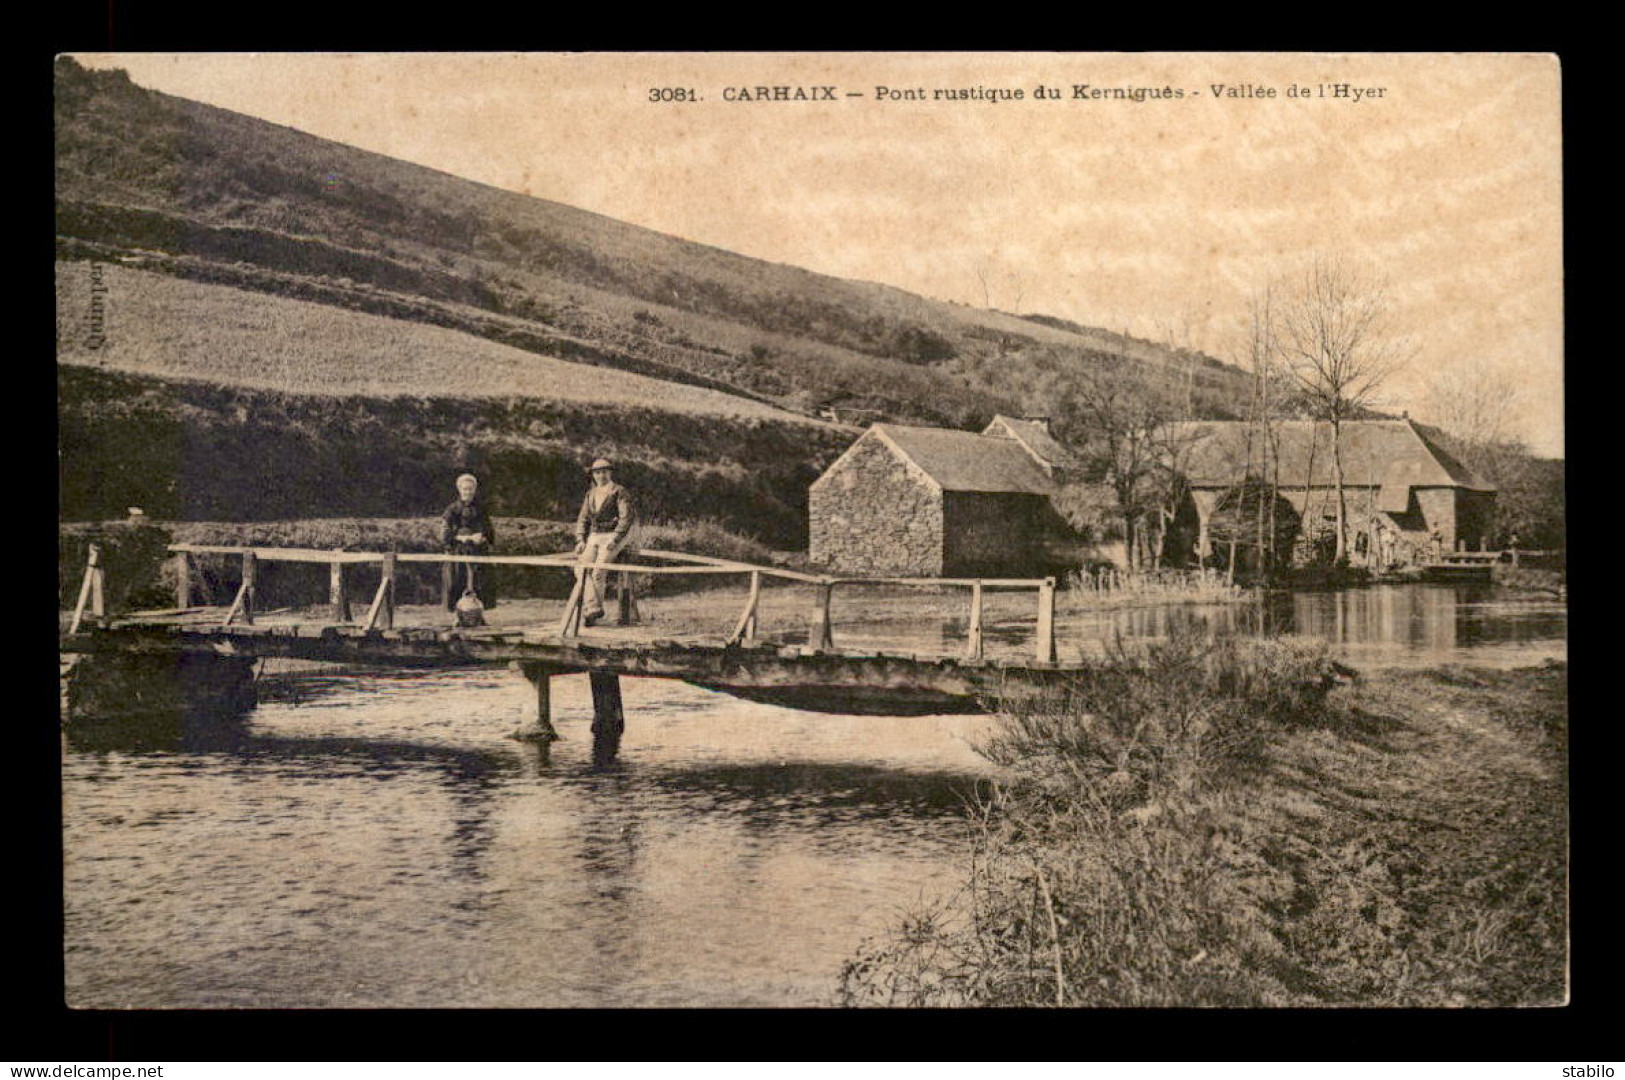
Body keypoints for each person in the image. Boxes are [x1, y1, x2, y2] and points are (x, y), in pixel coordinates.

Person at [574, 457, 636, 626]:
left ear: (610, 473)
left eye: (604, 472)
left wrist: (616, 538)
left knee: (598, 572)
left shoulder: (619, 492)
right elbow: (583, 519)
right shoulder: (591, 493)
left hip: (614, 535)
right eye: (598, 472)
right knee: (580, 568)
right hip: (595, 535)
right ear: (593, 475)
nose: (601, 476)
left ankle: (590, 615)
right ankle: (593, 608)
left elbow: (626, 518)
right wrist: (580, 539)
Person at [442, 473, 497, 610]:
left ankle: (478, 614)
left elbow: (489, 529)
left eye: (470, 489)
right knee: (457, 581)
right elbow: (446, 533)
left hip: (478, 550)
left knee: (481, 582)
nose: (468, 492)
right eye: (465, 489)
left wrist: (482, 536)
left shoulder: (481, 509)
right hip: (458, 551)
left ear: (475, 490)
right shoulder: (452, 509)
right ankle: (458, 615)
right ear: (459, 489)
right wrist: (463, 538)